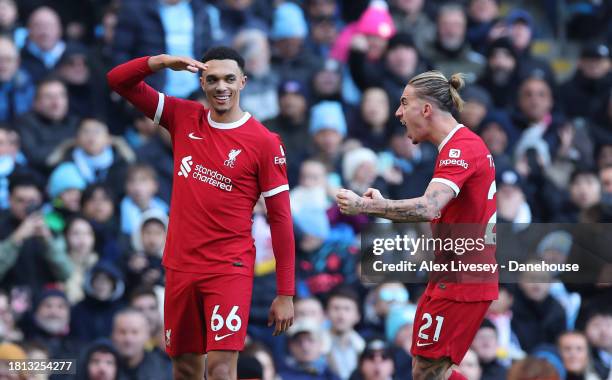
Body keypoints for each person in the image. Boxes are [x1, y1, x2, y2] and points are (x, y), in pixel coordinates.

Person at [106, 47, 295, 380]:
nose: (221, 86)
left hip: (228, 268)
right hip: (180, 266)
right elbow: (118, 81)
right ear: (202, 82)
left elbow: (280, 219)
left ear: (243, 82)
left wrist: (286, 292)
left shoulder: (264, 142)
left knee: (221, 369)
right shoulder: (183, 116)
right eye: (212, 79)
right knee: (185, 369)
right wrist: (161, 62)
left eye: (229, 79)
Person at [336, 70, 497, 380]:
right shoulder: (456, 147)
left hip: (464, 278)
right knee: (427, 369)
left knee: (427, 370)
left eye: (404, 103)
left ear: (425, 109)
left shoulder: (461, 148)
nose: (397, 112)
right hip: (452, 274)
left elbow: (428, 206)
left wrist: (368, 206)